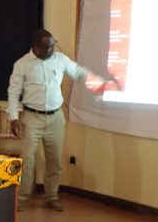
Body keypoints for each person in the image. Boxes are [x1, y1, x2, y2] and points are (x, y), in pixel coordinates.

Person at [7, 29, 115, 211]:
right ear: (36, 47)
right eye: (46, 48)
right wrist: (14, 118)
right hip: (31, 117)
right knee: (28, 161)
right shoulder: (22, 64)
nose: (51, 50)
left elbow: (79, 72)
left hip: (55, 118)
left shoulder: (60, 59)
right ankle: (22, 199)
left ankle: (51, 197)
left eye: (52, 46)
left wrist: (97, 82)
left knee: (54, 161)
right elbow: (14, 92)